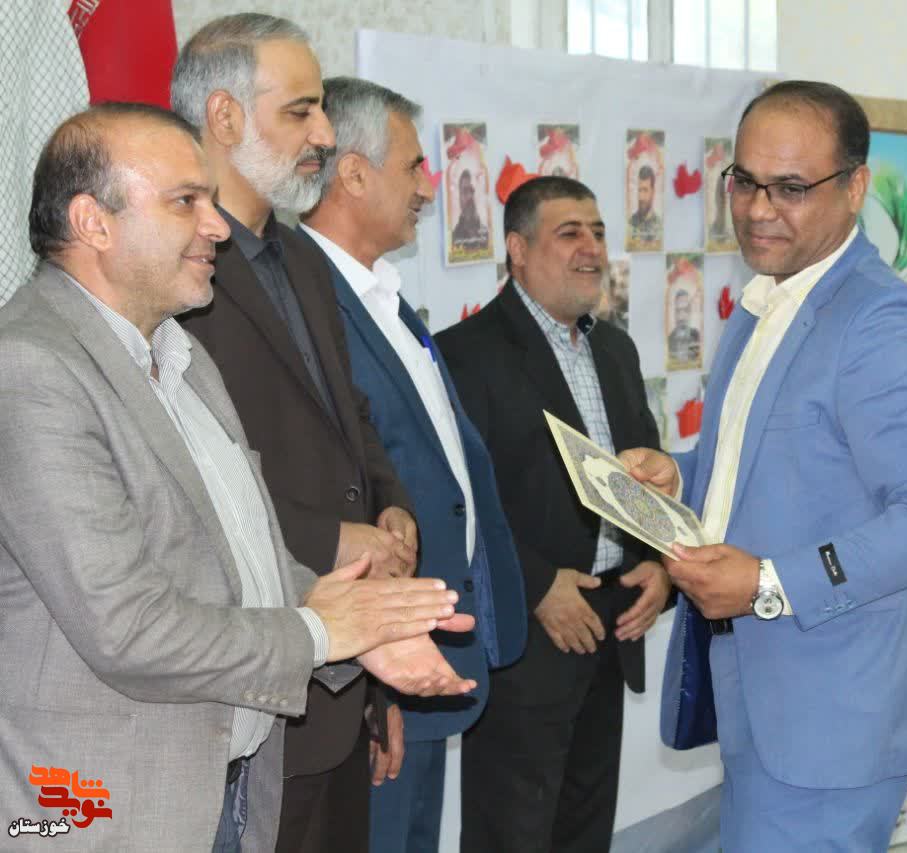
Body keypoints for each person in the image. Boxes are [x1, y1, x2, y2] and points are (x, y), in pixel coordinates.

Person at [0, 103, 475, 851]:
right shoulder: (31, 370)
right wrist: (321, 632)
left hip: (226, 792)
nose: (216, 227)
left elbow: (242, 556)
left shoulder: (181, 357)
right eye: (185, 201)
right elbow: (128, 627)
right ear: (93, 223)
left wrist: (360, 626)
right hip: (102, 815)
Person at [621, 81, 907, 851]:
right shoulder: (770, 299)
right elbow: (775, 462)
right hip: (765, 692)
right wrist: (681, 475)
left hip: (833, 716)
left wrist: (767, 582)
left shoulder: (882, 322)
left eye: (790, 188)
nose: (758, 209)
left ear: (855, 187)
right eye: (745, 181)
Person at [171, 14, 423, 851]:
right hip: (252, 693)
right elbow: (181, 482)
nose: (323, 134)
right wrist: (330, 538)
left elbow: (350, 416)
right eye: (301, 111)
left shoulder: (303, 257)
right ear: (224, 116)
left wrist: (389, 507)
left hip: (344, 678)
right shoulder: (173, 268)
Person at [298, 76, 528, 853]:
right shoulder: (308, 301)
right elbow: (324, 491)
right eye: (412, 167)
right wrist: (370, 689)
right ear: (353, 173)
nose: (429, 188)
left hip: (427, 648)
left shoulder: (385, 295)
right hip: (377, 669)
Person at [435, 176, 672, 853]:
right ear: (517, 248)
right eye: (570, 233)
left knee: (585, 832)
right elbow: (458, 503)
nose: (591, 248)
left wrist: (658, 563)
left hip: (612, 627)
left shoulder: (616, 350)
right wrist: (538, 586)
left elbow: (646, 473)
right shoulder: (464, 353)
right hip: (527, 639)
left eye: (598, 232)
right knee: (511, 835)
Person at [451, 169, 488, 247]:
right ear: (459, 198)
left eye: (472, 190)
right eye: (465, 191)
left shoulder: (488, 235)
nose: (469, 196)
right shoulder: (453, 238)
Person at [665, 288, 700, 365]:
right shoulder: (668, 341)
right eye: (678, 311)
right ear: (674, 313)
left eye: (686, 310)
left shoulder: (697, 336)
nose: (681, 317)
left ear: (690, 311)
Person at [628, 164, 660, 244]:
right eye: (639, 190)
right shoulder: (631, 222)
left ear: (653, 192)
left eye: (645, 190)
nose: (641, 197)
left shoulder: (659, 225)